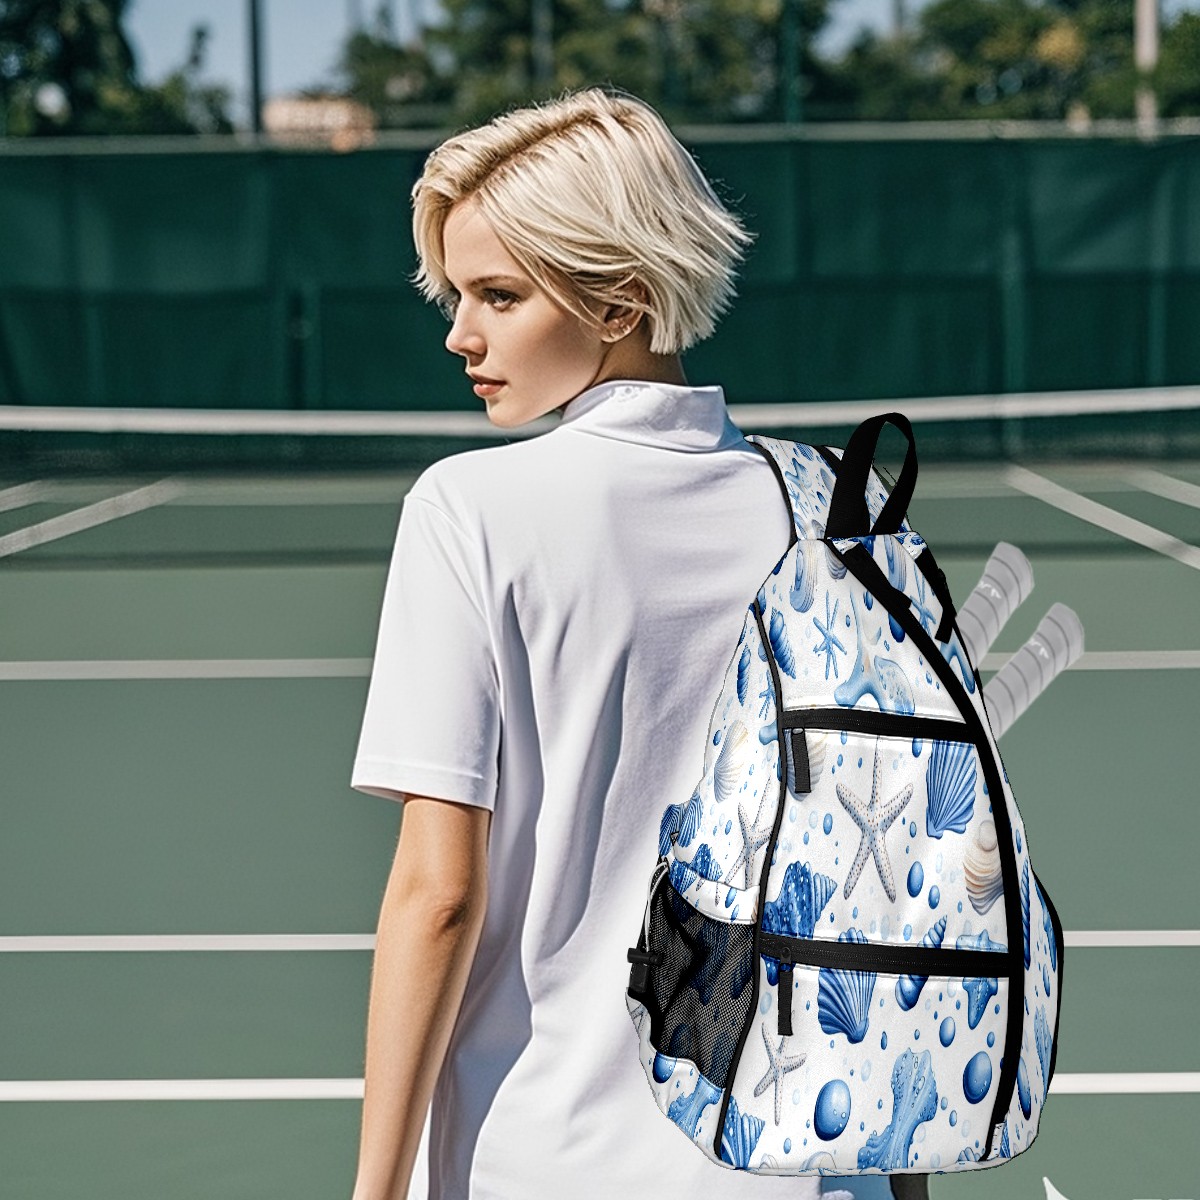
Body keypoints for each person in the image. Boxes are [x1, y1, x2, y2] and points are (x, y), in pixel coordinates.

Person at [348, 84, 865, 1200]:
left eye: (498, 294)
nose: (460, 333)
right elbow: (888, 880)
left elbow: (439, 896)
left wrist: (374, 1192)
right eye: (455, 295)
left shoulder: (467, 511)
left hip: (547, 1162)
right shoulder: (836, 504)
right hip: (813, 1166)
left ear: (621, 299)